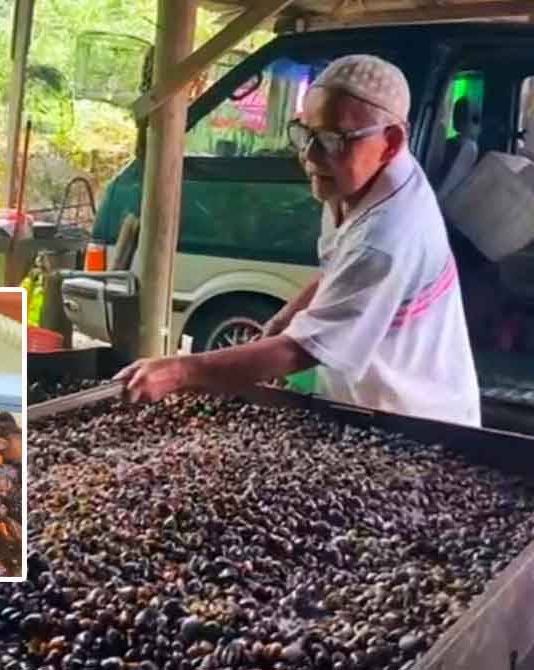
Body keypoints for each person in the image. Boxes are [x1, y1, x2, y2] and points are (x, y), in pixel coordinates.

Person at [116, 54, 481, 427]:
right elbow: (341, 271)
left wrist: (177, 373)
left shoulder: (388, 237)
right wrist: (283, 319)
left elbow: (298, 352)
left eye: (332, 140)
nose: (309, 155)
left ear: (390, 142)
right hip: (363, 402)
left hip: (415, 420)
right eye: (305, 133)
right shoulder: (359, 181)